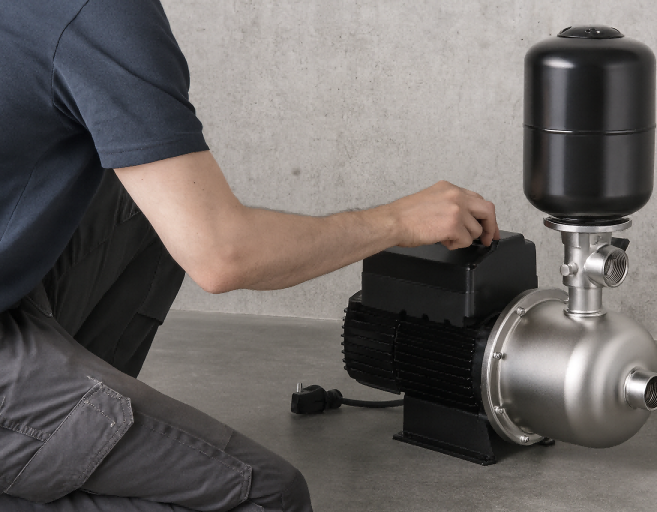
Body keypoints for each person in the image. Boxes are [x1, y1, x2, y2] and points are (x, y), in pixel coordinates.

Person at [0, 1, 499, 511]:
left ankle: (67, 426)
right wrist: (398, 221)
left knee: (155, 200)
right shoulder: (100, 14)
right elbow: (223, 254)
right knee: (265, 498)